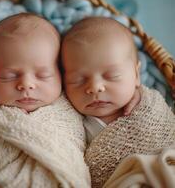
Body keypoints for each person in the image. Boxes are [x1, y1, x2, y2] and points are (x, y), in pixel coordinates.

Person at [0, 13, 91, 187]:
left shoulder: (76, 101)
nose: (26, 84)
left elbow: (109, 115)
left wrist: (133, 99)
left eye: (43, 75)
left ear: (61, 73)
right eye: (9, 76)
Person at [61, 16, 175, 187]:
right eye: (77, 80)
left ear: (136, 75)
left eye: (112, 76)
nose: (95, 87)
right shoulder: (70, 120)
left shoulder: (148, 105)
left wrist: (140, 99)